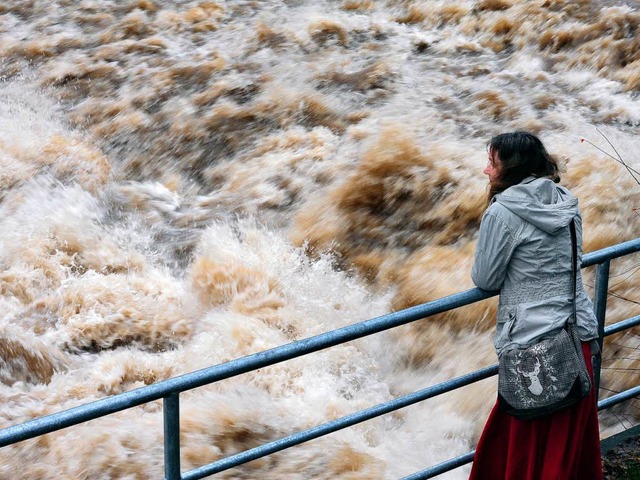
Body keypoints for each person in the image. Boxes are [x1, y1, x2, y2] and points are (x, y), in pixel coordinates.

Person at [468, 131, 603, 479]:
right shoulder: (566, 201)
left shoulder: (502, 212)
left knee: (526, 439)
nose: (485, 171)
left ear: (510, 169)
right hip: (577, 336)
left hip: (533, 346)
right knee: (564, 444)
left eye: (491, 163)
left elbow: (485, 279)